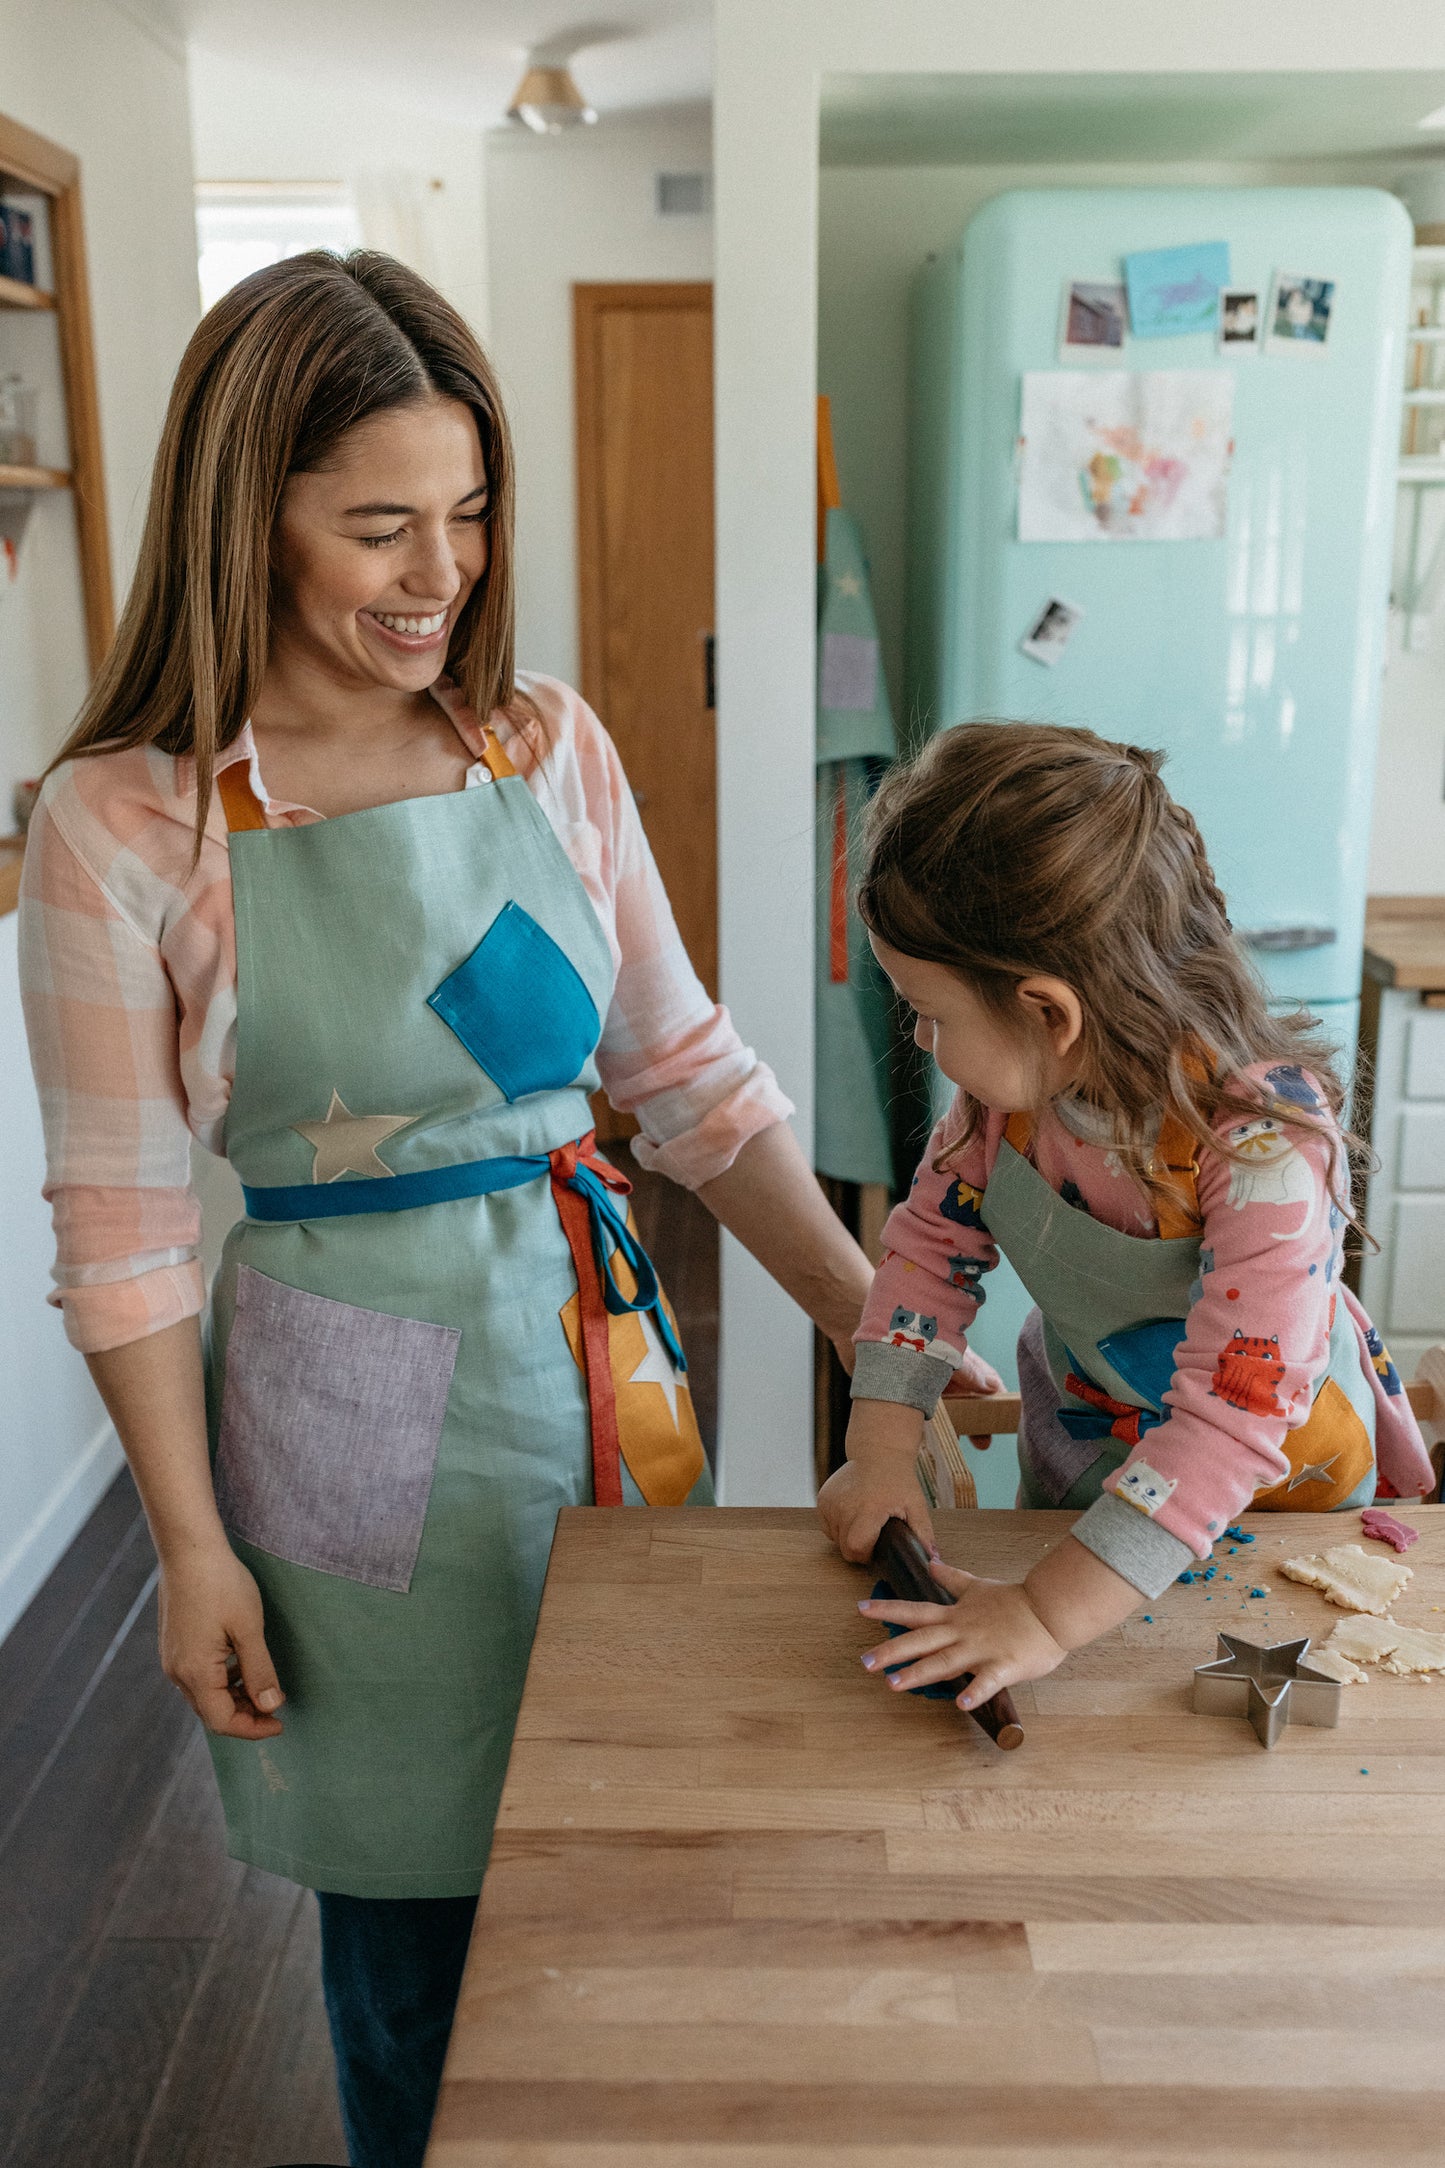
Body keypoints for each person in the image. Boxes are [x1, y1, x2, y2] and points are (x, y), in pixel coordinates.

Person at [19, 251, 882, 2168]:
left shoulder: (544, 742)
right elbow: (126, 1237)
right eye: (381, 525)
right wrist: (188, 1549)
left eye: (472, 512)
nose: (444, 573)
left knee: (624, 1874)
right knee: (418, 1940)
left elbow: (688, 1077)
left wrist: (874, 1323)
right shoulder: (127, 818)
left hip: (592, 1365)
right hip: (340, 1414)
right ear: (249, 515)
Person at [818, 720, 1432, 1714]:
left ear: (1047, 1012)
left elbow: (1231, 1419)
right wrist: (880, 1451)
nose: (922, 1039)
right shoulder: (999, 1107)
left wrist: (1045, 1614)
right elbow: (926, 1257)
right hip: (1085, 1472)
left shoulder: (1262, 1148)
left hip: (1277, 1503)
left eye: (930, 1011)